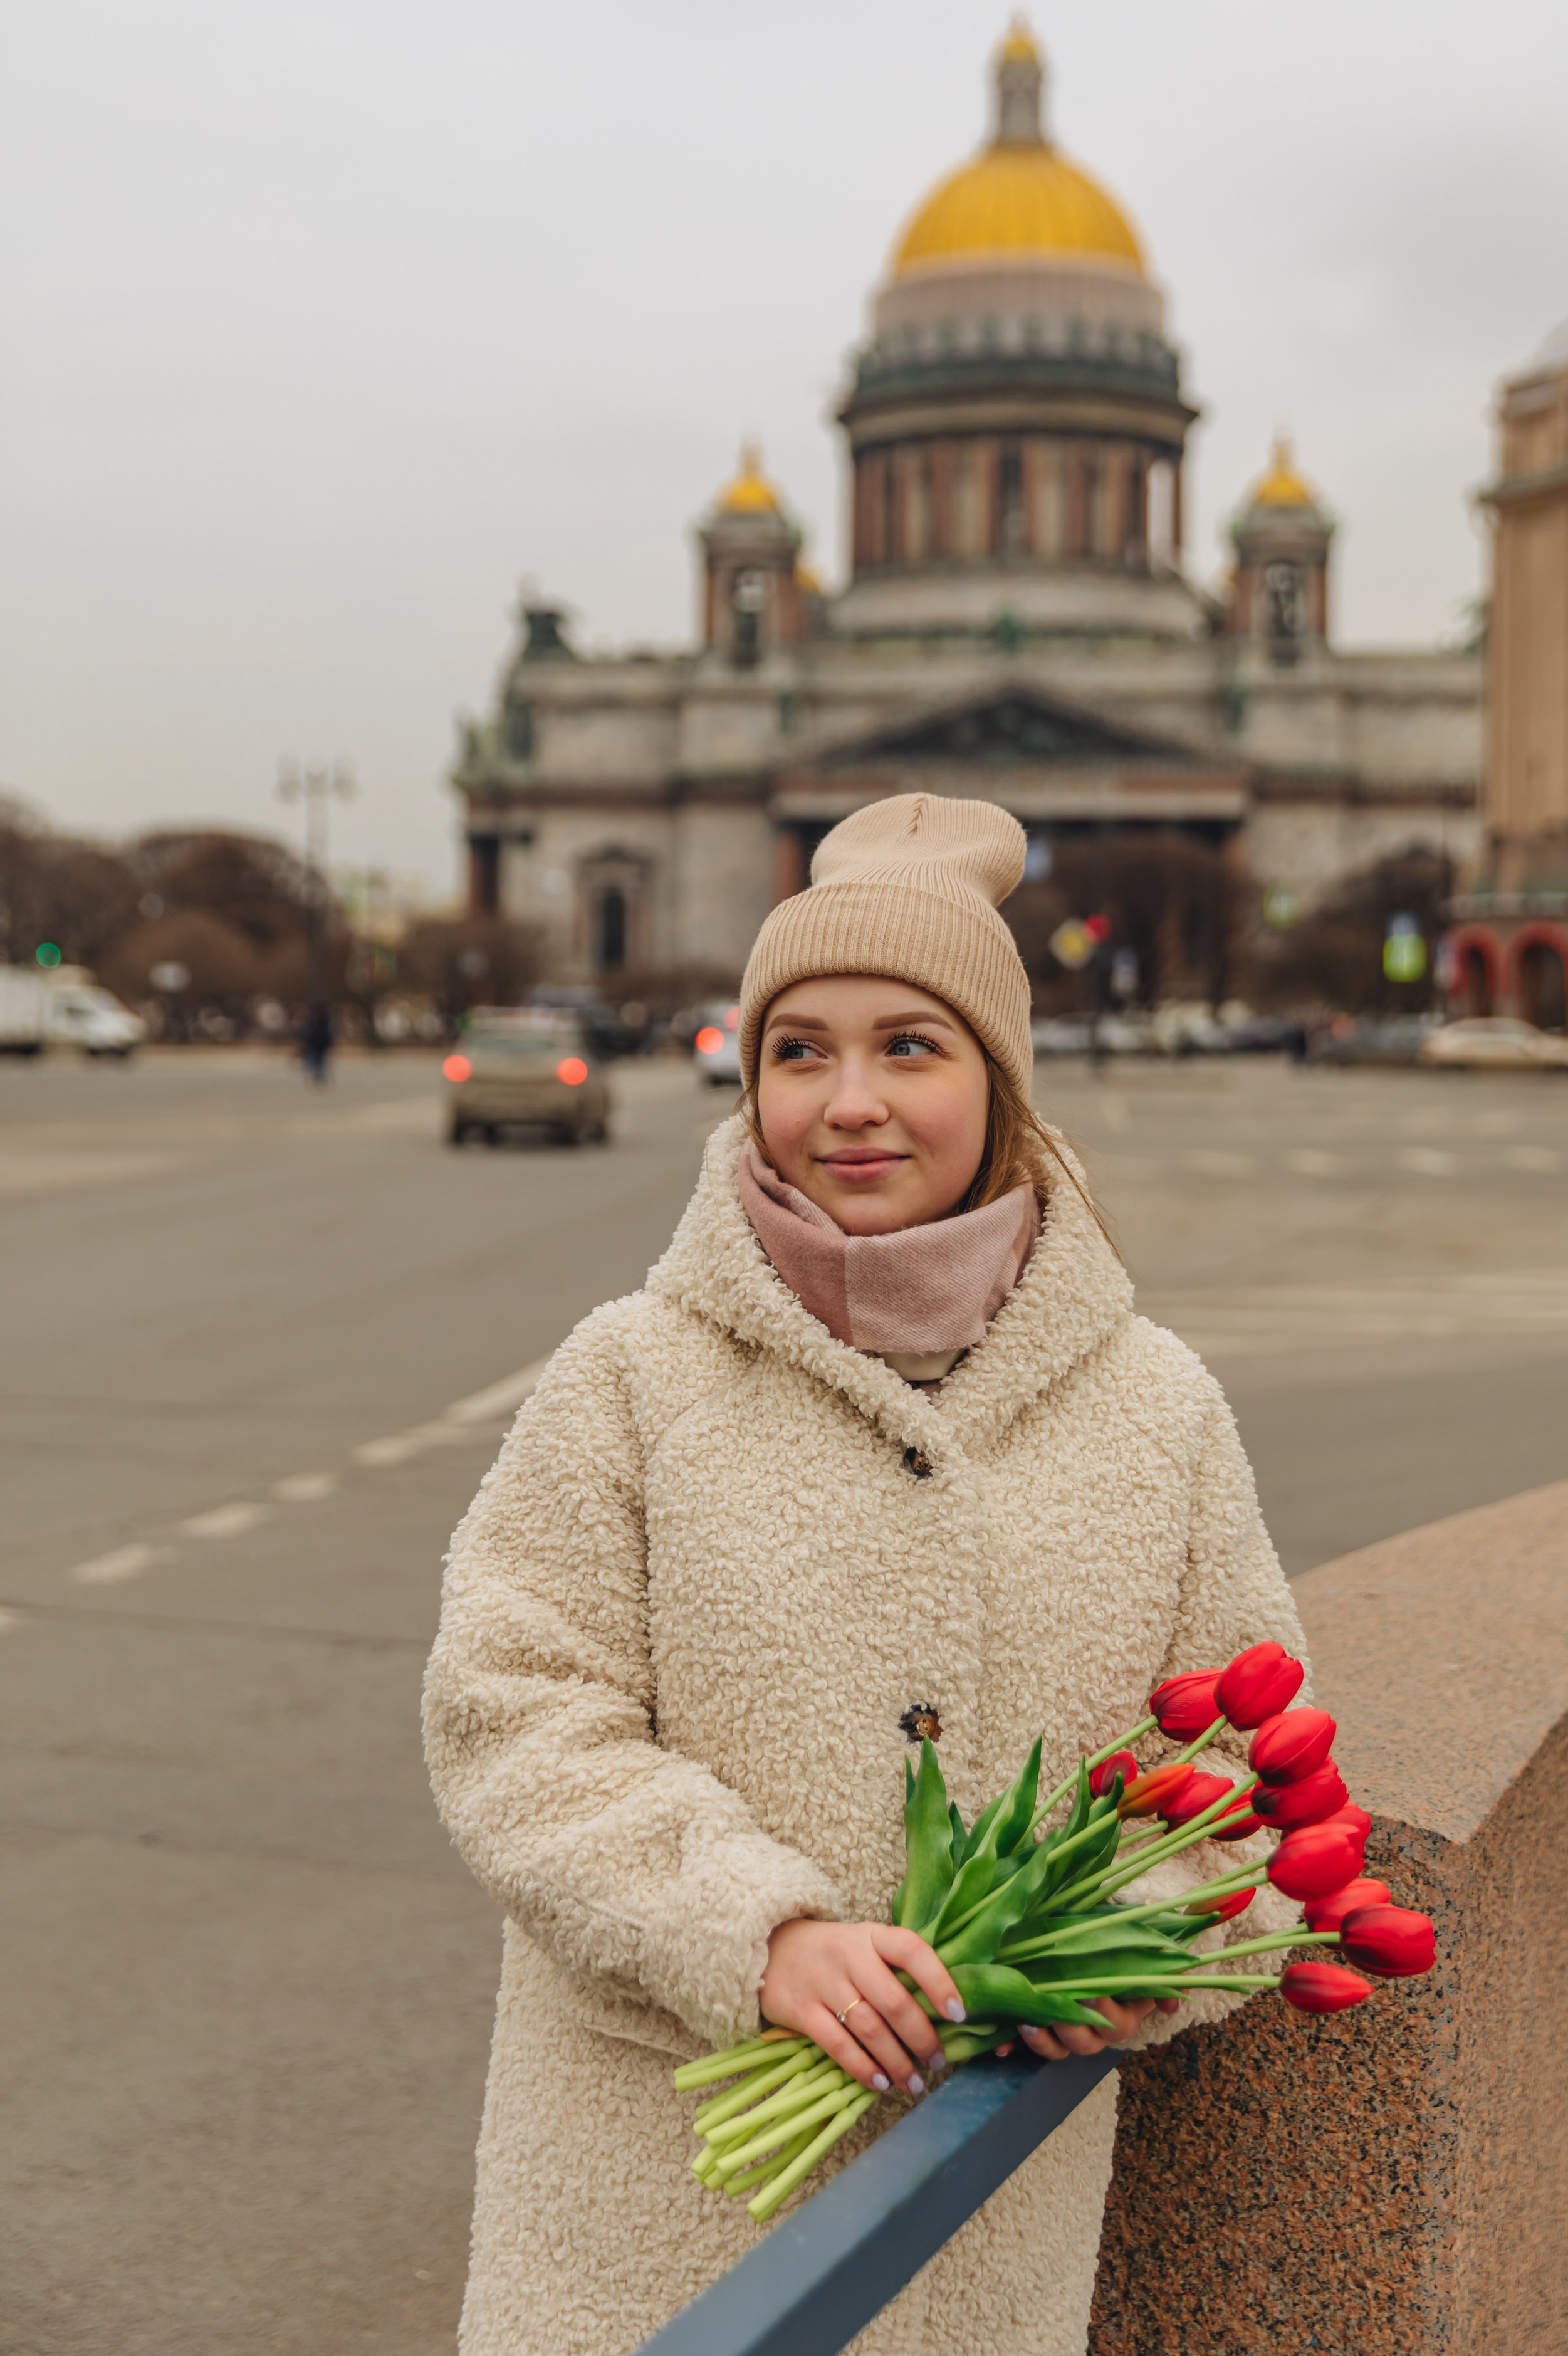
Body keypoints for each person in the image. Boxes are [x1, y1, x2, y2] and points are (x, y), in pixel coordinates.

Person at [424, 793, 1305, 2356]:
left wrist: (1136, 1947)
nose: (847, 1103)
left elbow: (1236, 1768)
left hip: (976, 2245)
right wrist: (754, 1931)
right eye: (797, 1050)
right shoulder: (629, 1375)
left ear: (997, 1081)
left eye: (910, 1046)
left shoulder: (1155, 1407)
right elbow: (515, 1716)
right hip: (646, 2219)